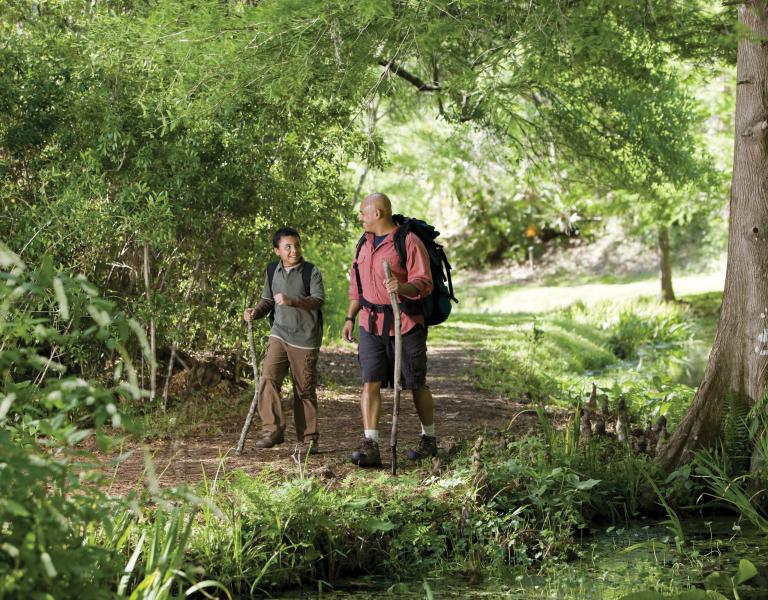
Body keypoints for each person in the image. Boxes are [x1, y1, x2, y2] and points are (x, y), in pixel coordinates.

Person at [342, 192, 437, 467]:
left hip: (405, 323)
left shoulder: (407, 241)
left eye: (363, 212)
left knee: (415, 383)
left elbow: (424, 282)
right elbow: (357, 287)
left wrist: (402, 287)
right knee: (370, 380)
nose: (360, 216)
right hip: (370, 324)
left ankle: (429, 439)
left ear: (378, 213)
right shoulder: (363, 243)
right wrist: (350, 317)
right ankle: (370, 444)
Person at [243, 227, 324, 454]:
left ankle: (308, 439)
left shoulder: (311, 272)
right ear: (277, 250)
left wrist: (292, 301)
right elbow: (267, 299)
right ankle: (273, 430)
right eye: (288, 247)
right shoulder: (271, 270)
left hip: (305, 339)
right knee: (268, 379)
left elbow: (318, 300)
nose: (294, 251)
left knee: (304, 390)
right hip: (279, 333)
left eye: (297, 245)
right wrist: (255, 313)